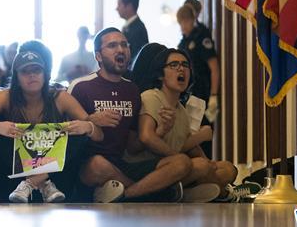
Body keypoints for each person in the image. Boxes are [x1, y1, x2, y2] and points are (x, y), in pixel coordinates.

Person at [69, 29, 201, 203]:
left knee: (181, 162)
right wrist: (91, 120)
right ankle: (154, 193)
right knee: (98, 164)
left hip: (122, 164)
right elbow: (65, 131)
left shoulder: (132, 90)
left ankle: (129, 193)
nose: (120, 49)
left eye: (124, 45)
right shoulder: (81, 87)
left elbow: (133, 146)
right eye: (112, 45)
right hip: (88, 166)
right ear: (98, 56)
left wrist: (161, 129)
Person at [0, 45, 104, 203]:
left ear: (45, 75)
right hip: (15, 178)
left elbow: (99, 135)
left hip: (55, 178)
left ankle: (34, 182)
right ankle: (41, 181)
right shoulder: (6, 96)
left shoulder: (60, 97)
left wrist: (89, 127)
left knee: (79, 133)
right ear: (16, 77)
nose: (32, 76)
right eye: (25, 71)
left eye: (36, 70)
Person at [133, 46, 236, 200]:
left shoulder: (181, 109)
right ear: (161, 75)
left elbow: (190, 145)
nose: (181, 69)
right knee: (197, 165)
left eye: (185, 65)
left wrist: (210, 165)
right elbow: (146, 137)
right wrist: (183, 158)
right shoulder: (151, 97)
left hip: (175, 166)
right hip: (149, 167)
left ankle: (181, 192)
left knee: (228, 169)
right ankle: (225, 194)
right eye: (173, 65)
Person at [176, 4, 220, 158]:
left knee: (204, 133)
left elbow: (214, 67)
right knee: (190, 132)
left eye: (184, 22)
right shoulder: (184, 41)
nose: (182, 27)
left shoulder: (202, 36)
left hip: (203, 93)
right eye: (180, 23)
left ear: (191, 20)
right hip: (189, 95)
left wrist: (214, 95)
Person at [117, 0, 148, 68]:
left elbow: (136, 57)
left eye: (119, 4)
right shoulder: (129, 26)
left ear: (129, 6)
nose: (116, 8)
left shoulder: (138, 28)